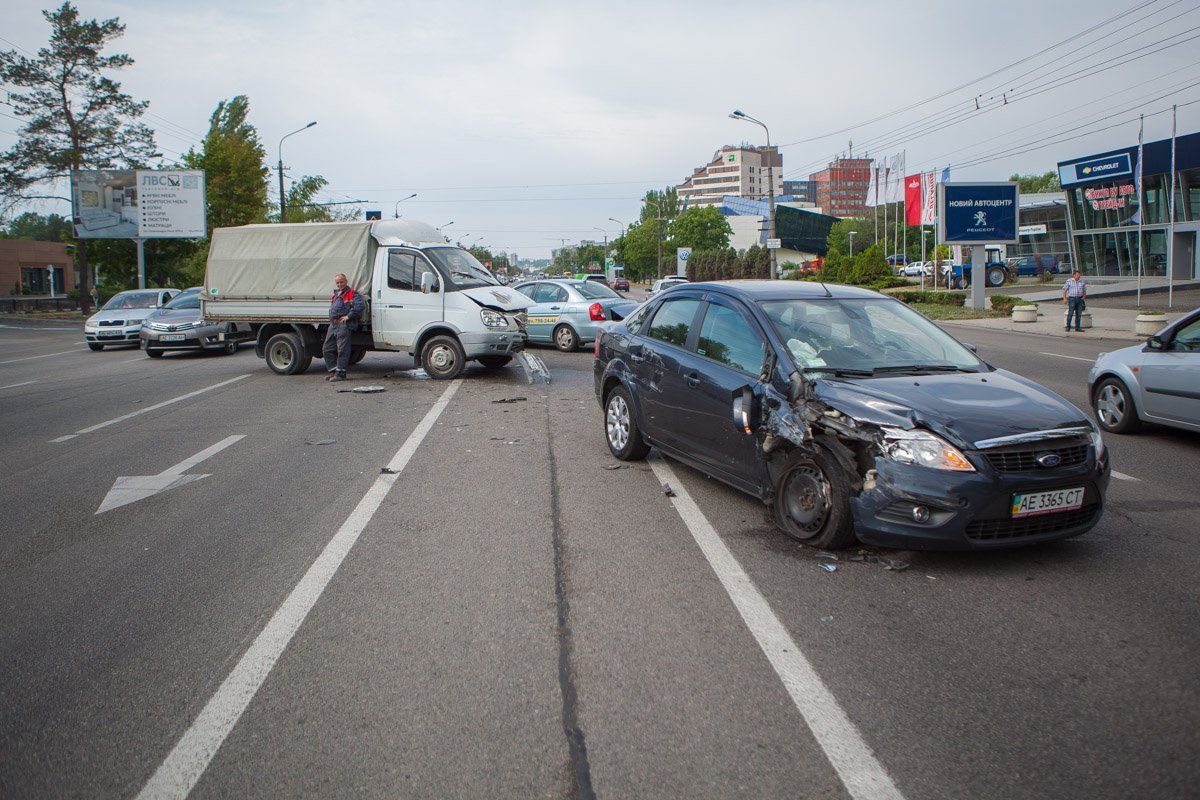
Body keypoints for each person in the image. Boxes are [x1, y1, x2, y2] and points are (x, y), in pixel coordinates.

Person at [324, 273, 364, 381]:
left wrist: (348, 316)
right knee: (327, 348)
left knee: (342, 350)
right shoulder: (336, 294)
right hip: (333, 325)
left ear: (346, 281)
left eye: (341, 282)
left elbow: (360, 306)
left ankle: (340, 374)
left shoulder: (352, 293)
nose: (339, 284)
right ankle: (333, 372)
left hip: (344, 325)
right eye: (337, 282)